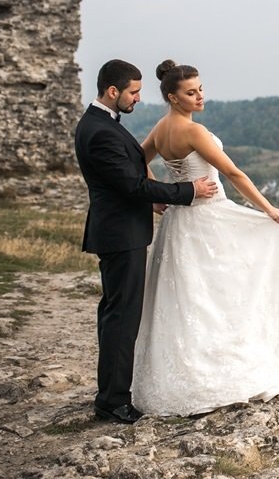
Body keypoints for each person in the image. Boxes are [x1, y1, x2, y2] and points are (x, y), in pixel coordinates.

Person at [131, 60, 279, 416]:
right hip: (208, 217)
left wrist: (160, 194)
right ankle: (222, 368)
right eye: (190, 92)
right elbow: (233, 173)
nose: (200, 96)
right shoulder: (193, 131)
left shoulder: (162, 126)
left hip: (179, 220)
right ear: (173, 96)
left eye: (200, 88)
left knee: (191, 297)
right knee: (221, 292)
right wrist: (269, 209)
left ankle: (187, 373)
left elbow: (139, 158)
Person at [75, 59, 220, 424]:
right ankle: (113, 401)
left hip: (119, 231)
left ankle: (110, 392)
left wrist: (152, 196)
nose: (138, 99)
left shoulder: (100, 124)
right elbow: (132, 184)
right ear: (113, 92)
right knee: (122, 317)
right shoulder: (102, 131)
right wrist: (186, 190)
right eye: (133, 93)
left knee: (115, 315)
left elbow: (129, 175)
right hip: (121, 235)